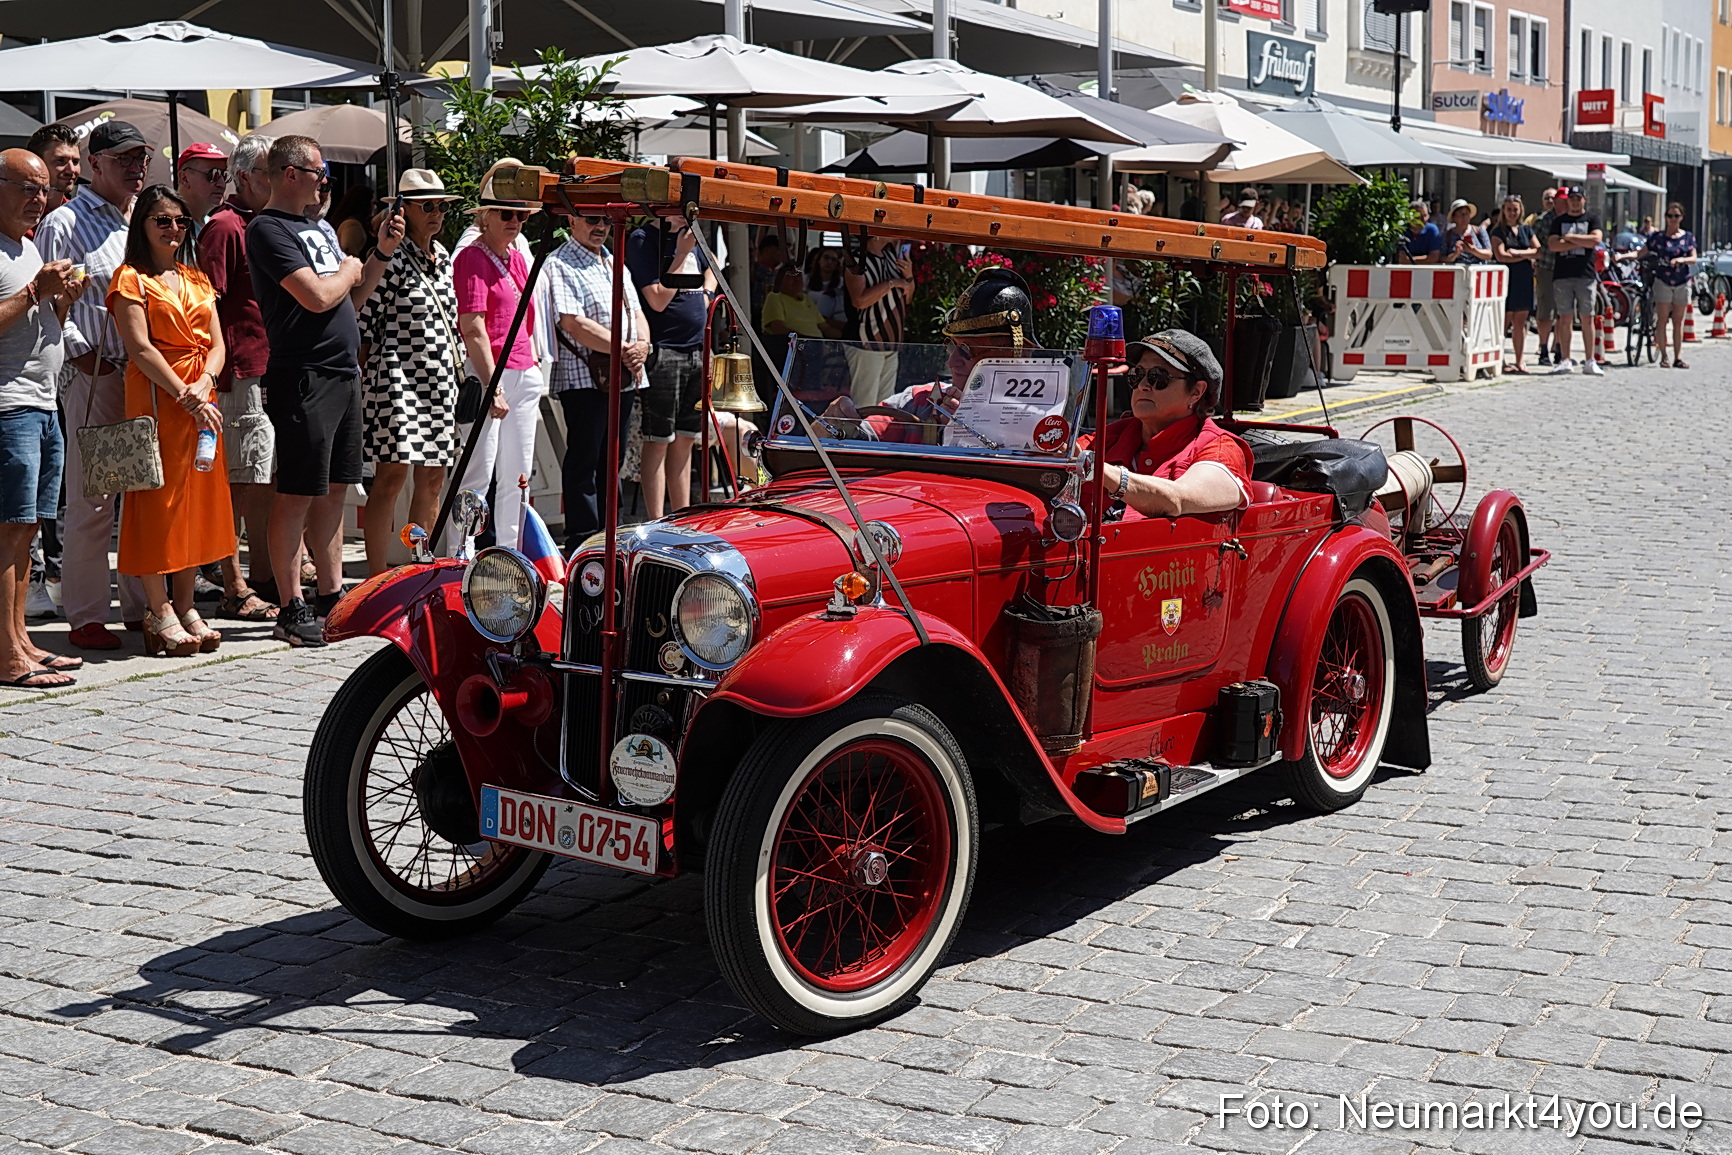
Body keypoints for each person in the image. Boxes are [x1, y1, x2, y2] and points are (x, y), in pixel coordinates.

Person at [246, 136, 375, 645]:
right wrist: (348, 267)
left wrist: (373, 257)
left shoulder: (317, 226)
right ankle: (290, 604)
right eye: (319, 171)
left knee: (336, 488)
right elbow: (320, 295)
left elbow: (353, 296)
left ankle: (330, 592)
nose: (326, 180)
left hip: (343, 371)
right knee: (297, 491)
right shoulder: (268, 228)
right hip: (305, 373)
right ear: (290, 173)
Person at [33, 119, 152, 651]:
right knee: (95, 497)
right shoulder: (64, 221)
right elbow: (48, 293)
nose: (136, 166)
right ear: (94, 162)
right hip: (100, 372)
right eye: (124, 158)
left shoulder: (144, 215)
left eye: (141, 157)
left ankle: (141, 605)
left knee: (141, 491)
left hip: (146, 374)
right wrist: (83, 354)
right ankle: (85, 613)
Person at [107, 185, 234, 657]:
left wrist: (203, 385)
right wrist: (185, 393)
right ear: (142, 224)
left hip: (202, 398)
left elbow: (219, 345)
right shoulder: (130, 279)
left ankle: (185, 606)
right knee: (157, 504)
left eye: (180, 220)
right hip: (159, 402)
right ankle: (157, 609)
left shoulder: (197, 278)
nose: (174, 229)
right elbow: (138, 346)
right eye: (162, 220)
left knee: (197, 504)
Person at [0, 148, 84, 687]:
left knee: (27, 530)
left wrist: (63, 303)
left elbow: (36, 323)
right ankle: (7, 656)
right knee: (9, 531)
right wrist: (37, 291)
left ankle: (21, 639)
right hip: (9, 407)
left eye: (42, 189)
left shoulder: (27, 246)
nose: (38, 198)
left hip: (41, 401)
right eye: (27, 187)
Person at [356, 170, 461, 576]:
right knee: (390, 478)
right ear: (402, 210)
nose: (437, 213)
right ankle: (377, 575)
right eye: (427, 205)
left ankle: (419, 570)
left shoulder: (445, 258)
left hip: (439, 382)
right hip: (396, 381)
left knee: (433, 479)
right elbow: (363, 321)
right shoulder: (390, 258)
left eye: (442, 206)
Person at [195, 133, 277, 621]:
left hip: (270, 365)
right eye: (270, 172)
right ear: (245, 177)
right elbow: (209, 304)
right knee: (239, 481)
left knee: (263, 477)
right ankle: (233, 582)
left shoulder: (264, 223)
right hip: (238, 369)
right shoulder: (225, 227)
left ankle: (261, 575)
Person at [819, 266, 1035, 443]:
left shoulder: (1042, 421)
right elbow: (856, 440)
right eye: (952, 346)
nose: (951, 362)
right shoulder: (918, 400)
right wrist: (830, 425)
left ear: (1014, 355)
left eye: (967, 350)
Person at [546, 204, 649, 550]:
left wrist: (644, 344)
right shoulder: (559, 263)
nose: (601, 226)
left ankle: (612, 534)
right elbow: (572, 323)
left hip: (622, 370)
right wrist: (625, 347)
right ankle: (583, 539)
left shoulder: (612, 258)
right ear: (571, 220)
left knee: (613, 458)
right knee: (586, 459)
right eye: (593, 219)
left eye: (606, 220)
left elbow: (636, 309)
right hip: (585, 376)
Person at [1089, 331, 1252, 519]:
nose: (1142, 385)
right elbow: (1066, 453)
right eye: (1137, 374)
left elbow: (1178, 498)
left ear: (1196, 392)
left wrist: (1099, 469)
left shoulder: (1219, 449)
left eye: (1159, 377)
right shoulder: (1111, 436)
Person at [625, 212, 715, 522]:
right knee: (659, 439)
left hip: (697, 350)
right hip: (665, 350)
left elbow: (712, 264)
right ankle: (657, 520)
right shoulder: (643, 240)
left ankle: (683, 517)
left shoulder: (691, 236)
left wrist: (706, 293)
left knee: (687, 438)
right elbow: (657, 300)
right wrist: (680, 254)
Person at [843, 235, 912, 407]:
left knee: (886, 403)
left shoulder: (892, 258)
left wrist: (909, 277)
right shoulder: (857, 260)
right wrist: (892, 283)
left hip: (892, 342)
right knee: (865, 402)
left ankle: (878, 434)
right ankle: (860, 435)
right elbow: (859, 300)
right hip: (867, 340)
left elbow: (907, 298)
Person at [1546, 186, 1603, 376]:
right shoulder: (1558, 221)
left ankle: (1590, 360)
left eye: (1578, 198)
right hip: (1563, 274)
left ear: (1584, 200)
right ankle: (1565, 359)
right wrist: (1582, 241)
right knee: (1565, 318)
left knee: (1587, 317)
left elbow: (1595, 240)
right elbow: (1553, 245)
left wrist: (1570, 238)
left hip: (1585, 274)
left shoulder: (1592, 218)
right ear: (1567, 201)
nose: (1575, 202)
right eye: (1572, 199)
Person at [1641, 201, 1698, 369]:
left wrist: (1682, 260)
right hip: (1663, 280)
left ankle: (1678, 357)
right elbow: (1641, 252)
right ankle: (1664, 356)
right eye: (1670, 216)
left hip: (1682, 281)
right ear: (1665, 217)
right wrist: (1623, 257)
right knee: (1662, 320)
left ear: (1681, 217)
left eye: (1676, 216)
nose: (1673, 219)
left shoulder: (1687, 237)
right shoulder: (1658, 237)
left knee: (1678, 322)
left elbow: (1693, 257)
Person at [1488, 195, 1539, 373]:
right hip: (1506, 279)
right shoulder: (1498, 231)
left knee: (1520, 321)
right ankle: (1499, 359)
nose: (1512, 213)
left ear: (1520, 211)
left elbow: (1538, 251)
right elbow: (1501, 255)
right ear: (1503, 211)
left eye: (1515, 209)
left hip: (1524, 278)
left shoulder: (1526, 229)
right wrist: (1526, 254)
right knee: (1504, 321)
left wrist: (1517, 253)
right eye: (1509, 209)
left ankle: (1520, 360)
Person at [763, 265, 843, 341]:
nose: (796, 279)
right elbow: (779, 329)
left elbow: (826, 328)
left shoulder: (807, 299)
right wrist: (806, 342)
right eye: (791, 276)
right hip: (794, 348)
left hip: (818, 346)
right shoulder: (775, 297)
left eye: (799, 275)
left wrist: (846, 338)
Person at [1527, 188, 1560, 366]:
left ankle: (1559, 348)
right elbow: (1532, 243)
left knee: (1563, 313)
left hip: (1565, 271)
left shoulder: (1567, 219)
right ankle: (1544, 348)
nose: (1551, 201)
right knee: (1545, 312)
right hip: (1546, 269)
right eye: (1547, 198)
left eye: (1554, 198)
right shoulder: (1541, 221)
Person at [24, 125, 80, 217]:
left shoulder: (77, 215)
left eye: (75, 162)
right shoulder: (13, 214)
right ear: (37, 161)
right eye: (61, 161)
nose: (71, 170)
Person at [173, 143, 229, 227]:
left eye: (224, 175)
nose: (222, 184)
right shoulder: (170, 227)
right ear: (184, 178)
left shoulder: (213, 225)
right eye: (213, 174)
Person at [330, 183, 376, 261]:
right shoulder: (353, 225)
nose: (375, 207)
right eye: (373, 202)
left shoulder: (358, 224)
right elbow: (348, 253)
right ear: (364, 204)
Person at [805, 246, 847, 328]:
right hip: (809, 319)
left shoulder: (842, 282)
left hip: (833, 321)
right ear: (819, 260)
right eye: (826, 258)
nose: (829, 262)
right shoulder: (805, 279)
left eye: (833, 260)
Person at [1441, 199, 1491, 265]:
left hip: (1477, 273)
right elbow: (1441, 258)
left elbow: (1489, 254)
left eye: (1466, 214)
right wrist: (1455, 255)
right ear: (1454, 217)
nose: (1464, 217)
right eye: (1461, 214)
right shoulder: (1447, 235)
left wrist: (1473, 250)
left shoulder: (1479, 231)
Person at [1400, 199, 1443, 264]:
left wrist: (1410, 260)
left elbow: (1434, 257)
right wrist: (1425, 258)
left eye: (1425, 215)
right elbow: (1401, 259)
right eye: (1418, 217)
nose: (1423, 220)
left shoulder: (1432, 230)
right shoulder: (1402, 230)